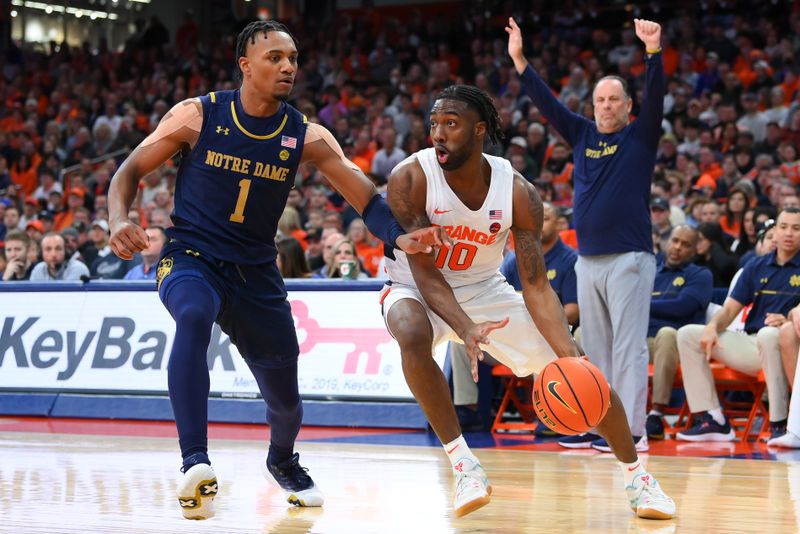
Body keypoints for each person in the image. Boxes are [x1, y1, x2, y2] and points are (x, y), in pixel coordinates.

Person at [107, 20, 446, 521]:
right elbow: (128, 171)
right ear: (245, 64)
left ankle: (283, 460)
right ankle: (194, 462)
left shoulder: (305, 135)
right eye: (275, 58)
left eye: (293, 59)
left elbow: (364, 198)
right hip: (192, 256)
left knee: (285, 403)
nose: (288, 66)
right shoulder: (197, 116)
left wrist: (399, 235)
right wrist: (118, 218)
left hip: (257, 273)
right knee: (193, 316)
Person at [383, 84, 674, 520]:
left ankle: (639, 478)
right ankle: (464, 464)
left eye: (451, 124)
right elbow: (426, 274)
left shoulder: (517, 191)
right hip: (415, 286)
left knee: (583, 368)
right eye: (434, 124)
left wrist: (566, 352)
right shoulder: (410, 177)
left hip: (484, 288)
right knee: (410, 330)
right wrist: (464, 328)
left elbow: (536, 284)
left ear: (480, 130)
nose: (438, 134)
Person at [507, 18, 665, 449]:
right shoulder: (581, 134)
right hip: (589, 259)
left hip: (630, 257)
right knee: (596, 345)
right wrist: (520, 61)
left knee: (629, 347)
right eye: (600, 99)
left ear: (628, 106)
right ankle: (601, 424)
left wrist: (653, 52)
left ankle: (632, 431)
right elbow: (548, 104)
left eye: (615, 99)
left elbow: (658, 100)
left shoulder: (640, 136)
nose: (607, 106)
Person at [676, 208, 800, 442]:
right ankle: (713, 419)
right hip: (751, 344)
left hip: (787, 345)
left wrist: (788, 320)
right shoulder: (756, 265)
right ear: (775, 230)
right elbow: (730, 309)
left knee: (769, 335)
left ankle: (779, 423)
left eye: (796, 228)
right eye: (784, 227)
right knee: (688, 334)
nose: (789, 233)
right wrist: (713, 327)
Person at [644, 225, 713, 440]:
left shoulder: (701, 275)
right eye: (674, 241)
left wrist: (641, 304)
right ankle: (595, 406)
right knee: (588, 334)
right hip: (640, 339)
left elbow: (682, 306)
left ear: (694, 250)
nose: (677, 248)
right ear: (666, 241)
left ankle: (656, 413)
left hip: (677, 346)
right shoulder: (649, 268)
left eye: (685, 244)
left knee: (667, 333)